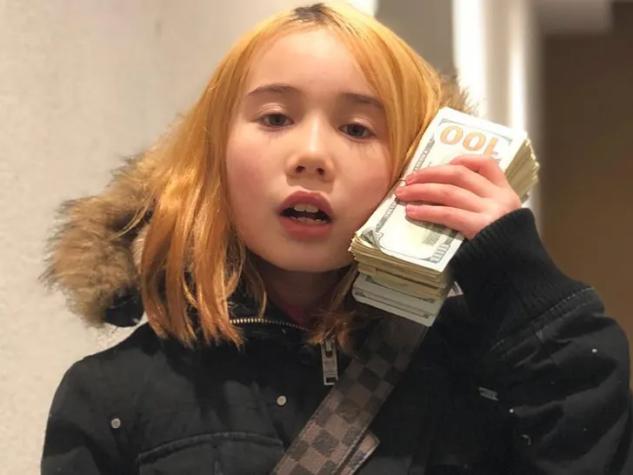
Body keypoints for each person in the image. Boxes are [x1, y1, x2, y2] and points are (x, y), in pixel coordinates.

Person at [41, 2, 632, 474]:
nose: (312, 154)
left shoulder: (479, 373)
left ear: (417, 164)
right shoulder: (111, 395)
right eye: (275, 118)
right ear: (212, 156)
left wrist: (523, 287)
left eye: (357, 128)